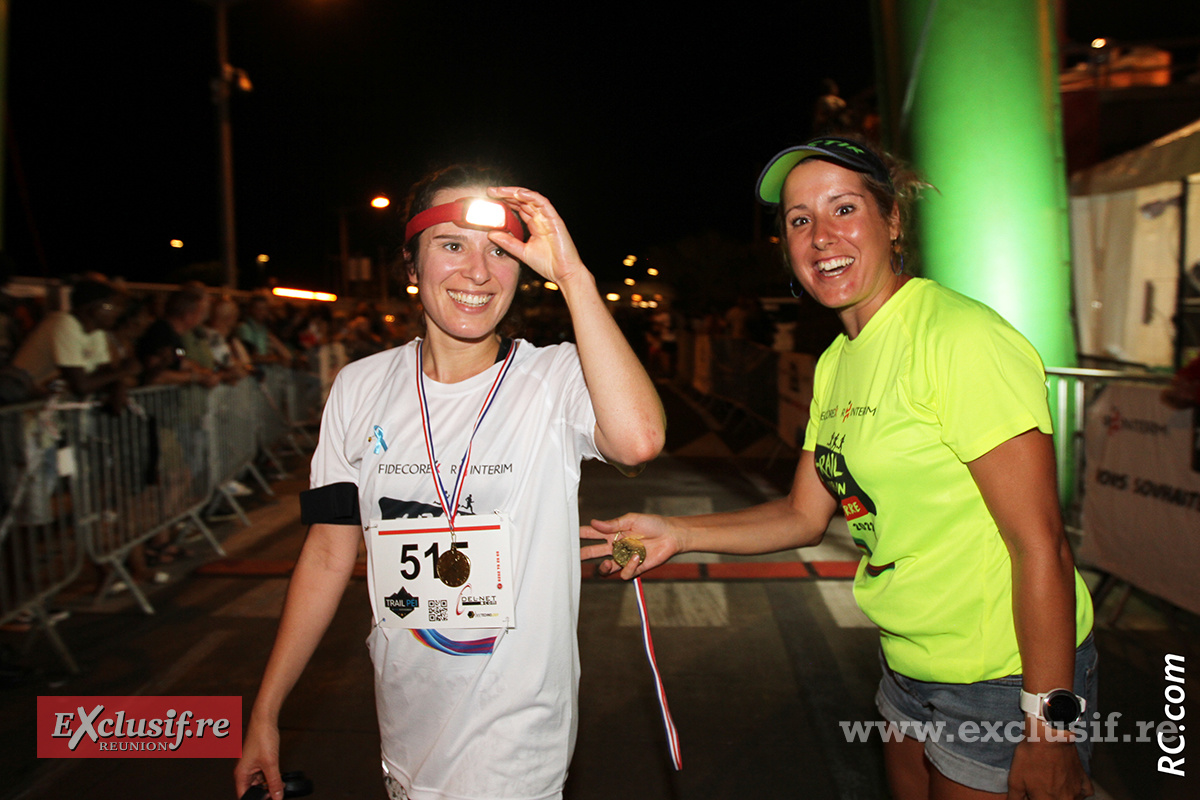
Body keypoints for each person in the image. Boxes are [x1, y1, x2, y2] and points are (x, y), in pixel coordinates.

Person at [584, 136, 1097, 800]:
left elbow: (1042, 545)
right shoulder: (838, 361)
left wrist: (1048, 726)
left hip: (1004, 677)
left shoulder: (958, 339)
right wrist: (678, 534)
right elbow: (803, 515)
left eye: (844, 209)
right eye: (800, 220)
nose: (821, 236)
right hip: (907, 662)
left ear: (891, 221)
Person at [235, 164, 666, 800]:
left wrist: (574, 277)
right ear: (411, 267)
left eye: (500, 250)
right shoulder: (360, 386)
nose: (478, 272)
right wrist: (267, 709)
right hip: (406, 720)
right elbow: (329, 551)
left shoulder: (556, 377)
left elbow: (639, 441)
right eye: (451, 245)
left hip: (515, 738)